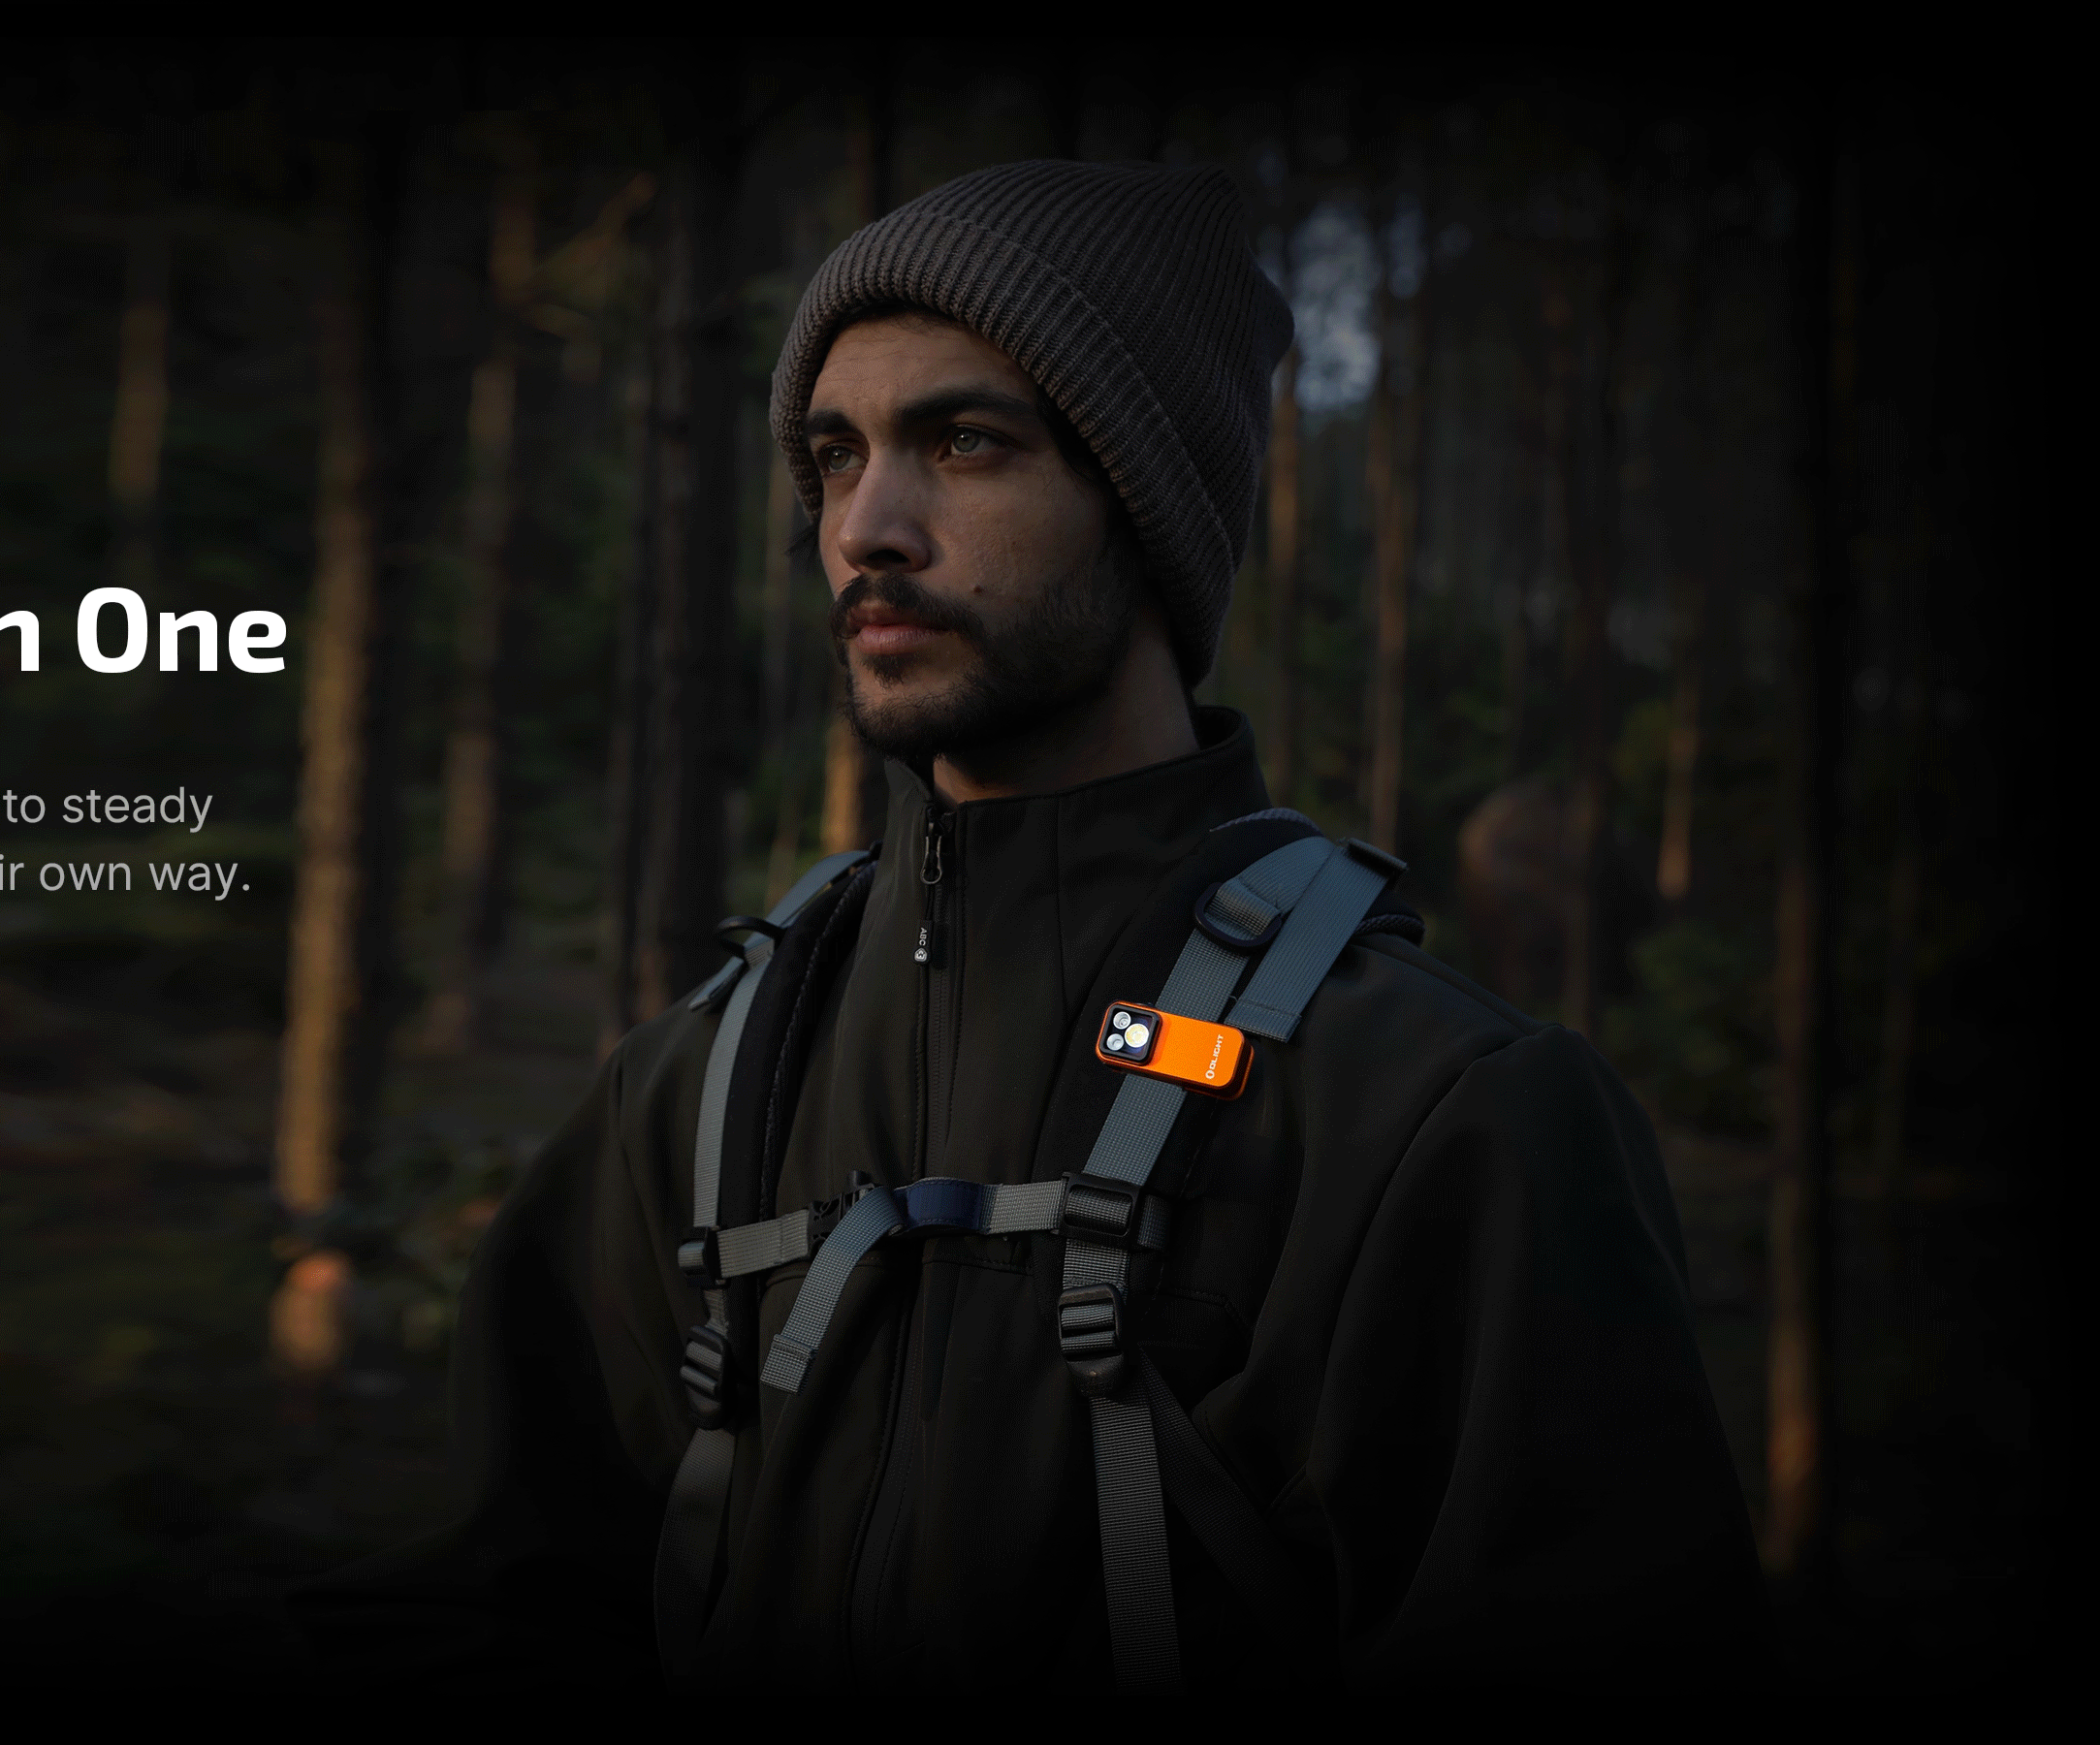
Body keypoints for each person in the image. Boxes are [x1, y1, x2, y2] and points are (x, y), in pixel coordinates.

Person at [304, 159, 1763, 1689]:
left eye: (967, 442)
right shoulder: (698, 1088)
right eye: (834, 454)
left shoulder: (1436, 1113)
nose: (871, 523)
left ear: (1143, 498)